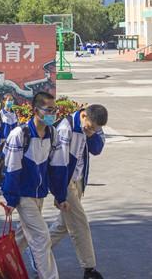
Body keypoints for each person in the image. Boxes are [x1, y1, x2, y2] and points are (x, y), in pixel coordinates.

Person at [2, 91, 69, 279]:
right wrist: (11, 199)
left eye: (54, 110)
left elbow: (57, 167)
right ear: (35, 110)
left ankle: (6, 263)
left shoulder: (53, 134)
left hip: (40, 195)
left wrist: (60, 196)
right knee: (41, 237)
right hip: (23, 196)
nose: (52, 114)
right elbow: (12, 169)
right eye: (48, 110)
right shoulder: (19, 134)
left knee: (25, 235)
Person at [47, 105, 107, 279]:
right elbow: (59, 164)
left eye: (96, 129)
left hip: (79, 180)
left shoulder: (93, 127)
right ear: (83, 115)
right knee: (80, 223)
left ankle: (38, 250)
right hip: (65, 182)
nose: (91, 131)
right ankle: (89, 269)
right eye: (89, 127)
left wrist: (91, 134)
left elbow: (97, 149)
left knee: (64, 224)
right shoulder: (66, 128)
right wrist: (59, 194)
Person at [0, 94, 18, 186]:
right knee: (0, 161)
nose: (10, 102)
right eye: (8, 100)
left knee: (11, 161)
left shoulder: (14, 113)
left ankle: (7, 180)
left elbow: (17, 128)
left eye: (12, 100)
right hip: (3, 141)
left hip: (12, 142)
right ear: (4, 101)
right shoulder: (0, 114)